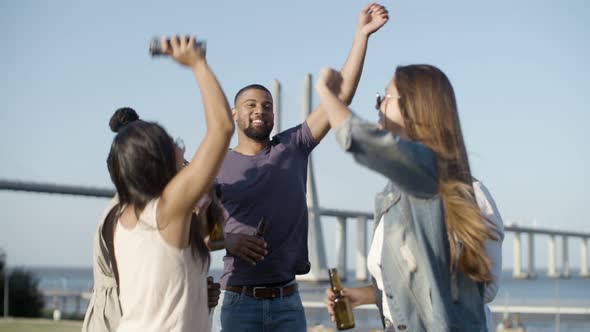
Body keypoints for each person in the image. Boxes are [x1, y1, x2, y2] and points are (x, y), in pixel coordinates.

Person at [214, 3, 389, 331]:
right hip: (239, 301)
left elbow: (341, 95)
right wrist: (229, 241)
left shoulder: (293, 145)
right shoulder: (215, 165)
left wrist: (361, 35)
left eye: (267, 106)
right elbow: (190, 235)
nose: (260, 111)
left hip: (288, 302)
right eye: (250, 105)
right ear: (233, 115)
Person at [317, 62, 498, 331]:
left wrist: (326, 91)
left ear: (415, 107)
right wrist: (364, 295)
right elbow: (420, 284)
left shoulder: (432, 175)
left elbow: (362, 139)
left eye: (385, 97)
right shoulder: (394, 195)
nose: (378, 106)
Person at [83, 35, 234, 332]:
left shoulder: (128, 214)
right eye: (173, 143)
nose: (181, 147)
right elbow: (223, 128)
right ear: (158, 157)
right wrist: (197, 63)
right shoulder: (167, 208)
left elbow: (196, 251)